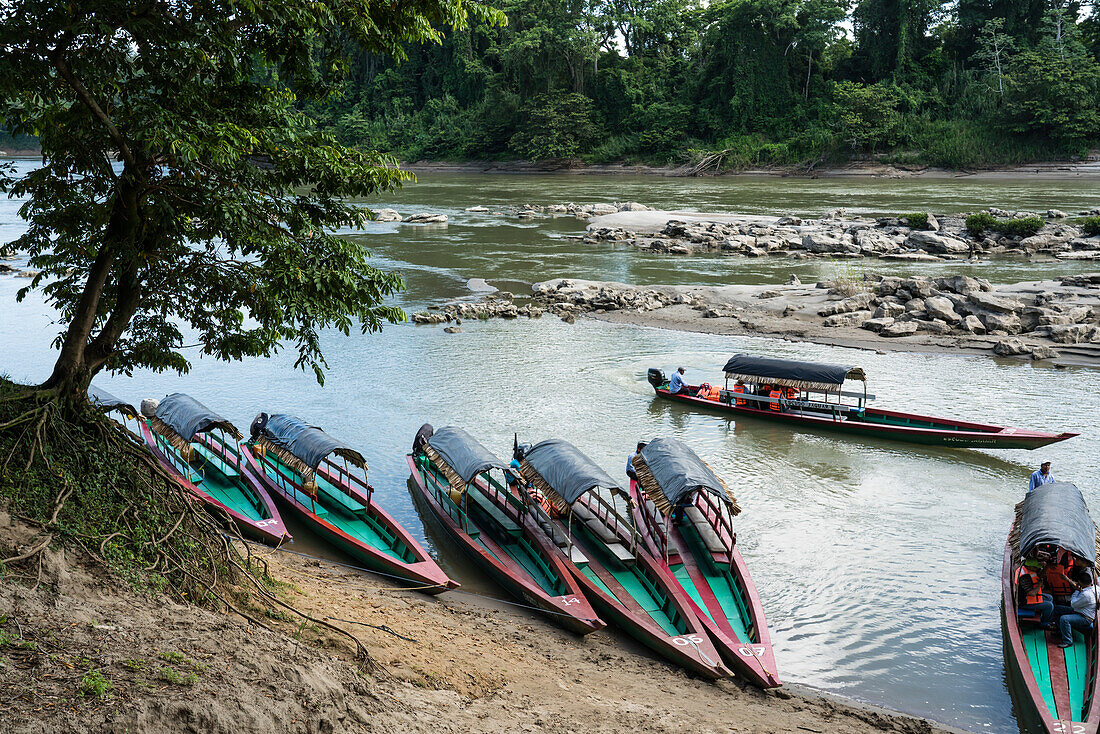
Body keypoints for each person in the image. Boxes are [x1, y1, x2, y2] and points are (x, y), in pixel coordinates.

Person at [1055, 568, 1098, 649]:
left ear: (1080, 582)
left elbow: (1073, 604)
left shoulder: (1086, 594)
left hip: (1085, 617)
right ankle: (1061, 630)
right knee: (1057, 609)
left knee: (1064, 619)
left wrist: (1077, 591)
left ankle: (1068, 641)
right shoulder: (1095, 588)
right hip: (1081, 610)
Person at [1016, 559, 1055, 626]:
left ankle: (1046, 616)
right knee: (1049, 606)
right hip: (1024, 602)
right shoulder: (1024, 577)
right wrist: (1039, 584)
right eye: (1036, 567)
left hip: (1028, 596)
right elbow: (1032, 593)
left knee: (1049, 597)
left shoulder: (1027, 570)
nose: (1037, 569)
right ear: (1030, 567)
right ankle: (1045, 623)